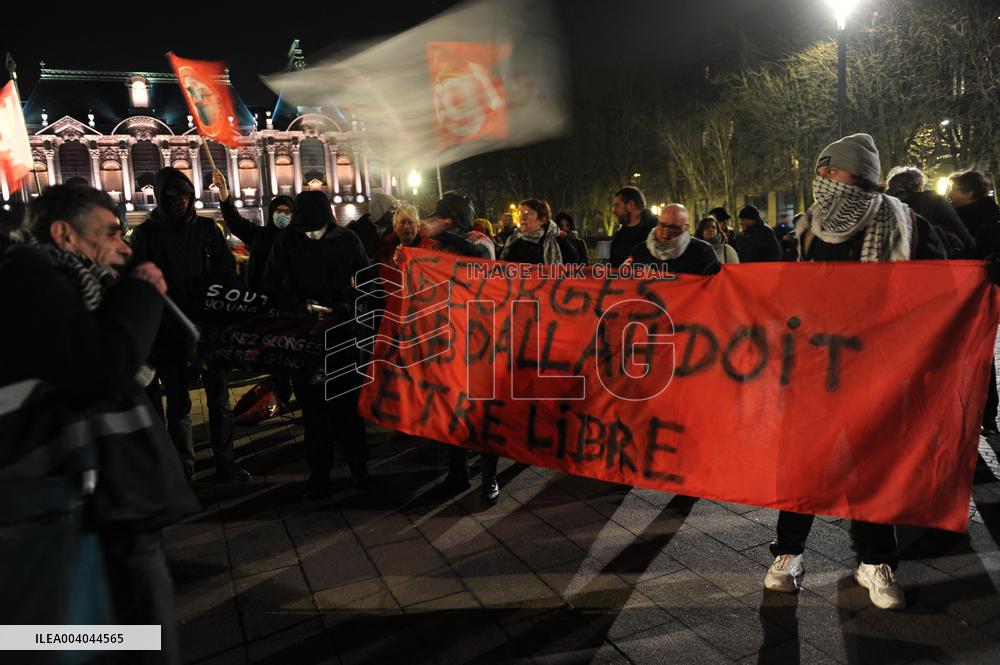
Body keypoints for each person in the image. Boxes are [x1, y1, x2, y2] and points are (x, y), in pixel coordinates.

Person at [0, 184, 198, 663]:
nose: (124, 245)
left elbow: (140, 356)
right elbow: (100, 367)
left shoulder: (79, 283)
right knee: (111, 640)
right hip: (68, 506)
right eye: (110, 232)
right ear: (64, 234)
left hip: (106, 502)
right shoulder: (30, 277)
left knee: (127, 638)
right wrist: (140, 292)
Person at [770, 133, 912, 610]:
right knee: (804, 461)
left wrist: (983, 271)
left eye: (833, 169)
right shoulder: (807, 227)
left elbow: (944, 271)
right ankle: (789, 553)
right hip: (815, 367)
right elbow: (787, 289)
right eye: (821, 169)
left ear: (862, 175)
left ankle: (875, 560)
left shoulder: (899, 220)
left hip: (875, 364)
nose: (823, 177)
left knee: (870, 461)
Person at [130, 167, 250, 482]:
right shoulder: (145, 235)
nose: (180, 201)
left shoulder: (208, 229)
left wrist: (212, 288)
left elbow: (227, 268)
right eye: (173, 196)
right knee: (179, 403)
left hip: (209, 328)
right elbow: (138, 280)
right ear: (161, 197)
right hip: (170, 332)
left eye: (185, 195)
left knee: (219, 400)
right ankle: (185, 466)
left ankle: (226, 461)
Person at [262, 191, 371, 498]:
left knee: (349, 408)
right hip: (306, 337)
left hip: (343, 335)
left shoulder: (348, 240)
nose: (311, 234)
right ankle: (320, 472)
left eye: (316, 229)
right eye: (306, 229)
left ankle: (359, 469)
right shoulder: (286, 240)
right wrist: (299, 306)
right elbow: (269, 281)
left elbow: (367, 280)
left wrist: (348, 305)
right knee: (313, 411)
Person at [214, 169, 293, 290]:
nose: (282, 215)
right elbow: (234, 221)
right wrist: (223, 190)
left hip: (289, 295)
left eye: (287, 212)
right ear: (271, 213)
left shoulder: (298, 238)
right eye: (278, 211)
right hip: (261, 293)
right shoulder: (260, 235)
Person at [886, 166, 974, 258]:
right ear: (919, 185)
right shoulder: (932, 199)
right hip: (930, 260)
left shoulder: (884, 205)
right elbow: (960, 231)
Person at [627, 204, 720, 275]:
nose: (666, 232)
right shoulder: (640, 251)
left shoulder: (703, 252)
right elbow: (626, 280)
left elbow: (715, 285)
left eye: (673, 228)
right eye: (662, 225)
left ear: (686, 228)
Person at [500, 198, 578, 265]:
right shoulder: (512, 244)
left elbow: (573, 271)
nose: (522, 217)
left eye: (528, 213)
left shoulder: (561, 245)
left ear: (542, 220)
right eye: (520, 213)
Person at [609, 186, 656, 267]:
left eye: (617, 205)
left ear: (631, 205)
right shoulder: (618, 236)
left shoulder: (656, 232)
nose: (613, 211)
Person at [348, 192, 398, 260]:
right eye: (392, 209)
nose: (394, 212)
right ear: (380, 209)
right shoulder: (356, 229)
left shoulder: (395, 229)